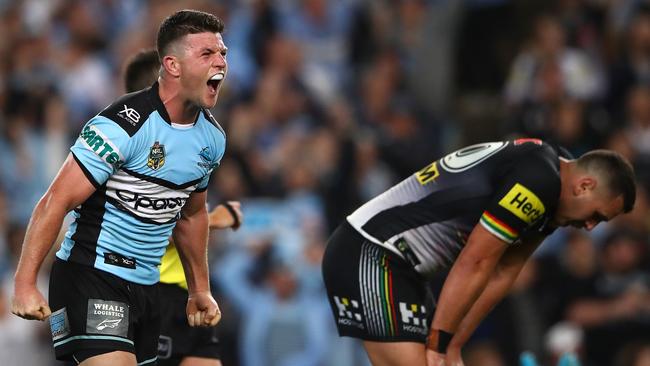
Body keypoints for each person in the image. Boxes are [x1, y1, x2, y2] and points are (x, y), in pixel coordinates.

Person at [11, 9, 229, 366]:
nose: (220, 62)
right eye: (207, 54)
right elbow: (56, 201)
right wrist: (25, 282)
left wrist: (199, 289)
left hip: (147, 287)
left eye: (223, 53)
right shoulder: (121, 125)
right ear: (172, 65)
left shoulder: (212, 139)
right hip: (91, 274)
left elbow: (191, 216)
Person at [322, 138, 637, 366]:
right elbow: (476, 260)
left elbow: (503, 273)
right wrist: (438, 345)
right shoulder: (538, 182)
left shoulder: (556, 188)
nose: (592, 227)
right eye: (596, 215)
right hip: (370, 252)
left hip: (404, 268)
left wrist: (453, 345)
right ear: (583, 186)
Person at [123, 47, 242, 366]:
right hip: (147, 289)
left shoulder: (183, 149)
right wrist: (214, 219)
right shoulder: (133, 155)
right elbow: (147, 228)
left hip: (183, 291)